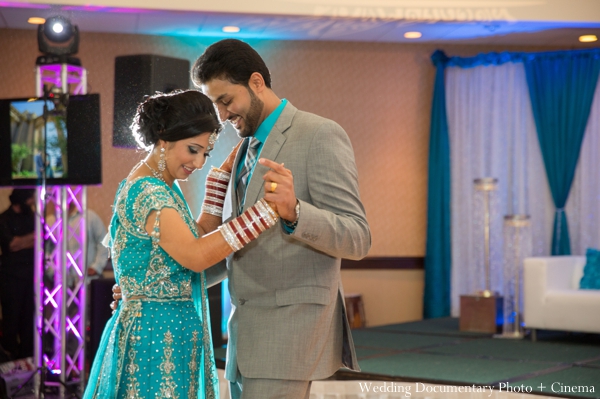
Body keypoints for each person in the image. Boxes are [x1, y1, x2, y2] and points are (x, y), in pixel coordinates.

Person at [193, 39, 371, 399]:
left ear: (256, 82)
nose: (223, 117)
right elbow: (239, 245)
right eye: (216, 106)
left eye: (226, 102)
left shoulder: (320, 134)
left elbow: (358, 238)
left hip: (290, 334)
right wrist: (163, 284)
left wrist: (296, 213)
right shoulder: (243, 148)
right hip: (244, 335)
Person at [83, 90, 279, 399]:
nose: (199, 162)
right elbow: (195, 255)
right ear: (164, 137)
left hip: (168, 332)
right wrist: (262, 215)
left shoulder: (161, 187)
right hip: (155, 337)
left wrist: (217, 185)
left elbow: (193, 237)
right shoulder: (149, 192)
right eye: (193, 150)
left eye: (206, 153)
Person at [0, 188, 36, 360]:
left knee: (29, 320)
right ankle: (10, 359)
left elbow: (41, 237)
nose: (32, 202)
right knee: (11, 320)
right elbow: (12, 244)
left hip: (32, 277)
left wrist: (23, 241)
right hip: (10, 278)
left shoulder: (32, 216)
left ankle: (28, 358)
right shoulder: (4, 219)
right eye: (29, 198)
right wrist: (30, 239)